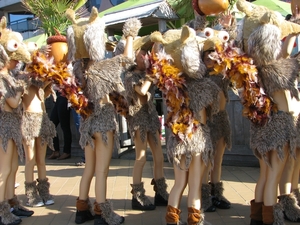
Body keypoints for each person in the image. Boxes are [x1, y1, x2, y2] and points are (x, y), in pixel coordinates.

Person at [65, 8, 139, 224]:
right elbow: (128, 58)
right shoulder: (103, 67)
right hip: (104, 123)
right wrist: (130, 34)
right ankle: (102, 213)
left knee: (89, 168)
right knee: (102, 171)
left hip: (87, 125)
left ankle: (81, 210)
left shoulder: (77, 69)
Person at [235, 1, 300, 224]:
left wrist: (292, 29)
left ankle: (256, 218)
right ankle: (271, 219)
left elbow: (284, 55)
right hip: (279, 126)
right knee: (273, 175)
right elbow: (291, 60)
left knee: (264, 174)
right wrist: (294, 28)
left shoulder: (252, 69)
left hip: (261, 127)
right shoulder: (277, 69)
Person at [0, 16, 33, 225]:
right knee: (4, 170)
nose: (16, 61)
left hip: (12, 126)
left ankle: (11, 203)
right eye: (13, 56)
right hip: (4, 127)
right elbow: (12, 102)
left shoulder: (9, 76)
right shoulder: (1, 78)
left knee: (12, 168)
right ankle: (2, 209)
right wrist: (21, 89)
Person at [19, 44, 56, 207]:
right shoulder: (23, 76)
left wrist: (53, 73)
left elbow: (45, 88)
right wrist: (39, 53)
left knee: (41, 160)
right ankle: (31, 194)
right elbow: (29, 77)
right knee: (30, 160)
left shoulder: (39, 78)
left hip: (42, 120)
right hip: (28, 121)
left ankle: (44, 190)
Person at [48, 91, 72, 160]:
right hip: (58, 96)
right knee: (51, 124)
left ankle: (67, 151)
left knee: (64, 126)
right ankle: (56, 151)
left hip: (66, 97)